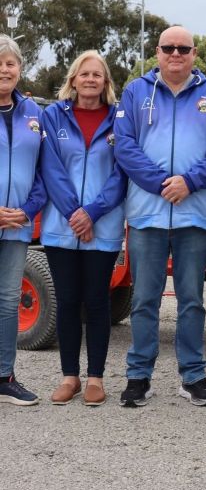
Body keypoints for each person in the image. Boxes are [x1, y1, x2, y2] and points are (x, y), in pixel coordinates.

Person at [114, 26, 206, 407]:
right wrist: (162, 182)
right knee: (145, 299)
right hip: (147, 214)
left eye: (184, 48)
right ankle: (138, 377)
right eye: (169, 48)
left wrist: (190, 181)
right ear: (158, 52)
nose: (176, 54)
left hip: (195, 215)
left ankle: (193, 376)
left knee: (191, 301)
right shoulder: (135, 92)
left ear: (194, 53)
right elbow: (125, 145)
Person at [40, 51, 127, 406]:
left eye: (97, 75)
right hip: (61, 226)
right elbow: (50, 169)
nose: (90, 80)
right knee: (68, 300)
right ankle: (69, 377)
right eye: (84, 74)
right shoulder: (51, 116)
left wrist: (91, 213)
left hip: (102, 226)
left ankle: (95, 378)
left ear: (106, 83)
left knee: (97, 301)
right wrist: (75, 213)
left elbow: (122, 173)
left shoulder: (119, 120)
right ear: (73, 79)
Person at [0, 34, 46, 405]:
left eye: (10, 63)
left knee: (7, 300)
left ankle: (4, 376)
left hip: (17, 224)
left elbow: (45, 172)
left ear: (19, 69)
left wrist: (28, 210)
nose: (4, 69)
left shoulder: (34, 114)